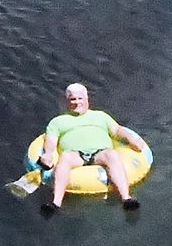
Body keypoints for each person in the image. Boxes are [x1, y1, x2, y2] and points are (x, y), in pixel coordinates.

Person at [36, 83, 145, 212]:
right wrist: (48, 154)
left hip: (100, 152)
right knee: (65, 158)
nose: (77, 103)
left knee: (112, 155)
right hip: (75, 155)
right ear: (67, 101)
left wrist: (131, 138)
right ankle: (55, 203)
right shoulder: (58, 121)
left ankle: (126, 198)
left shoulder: (100, 116)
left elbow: (117, 130)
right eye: (73, 99)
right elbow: (51, 141)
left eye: (80, 98)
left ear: (87, 99)